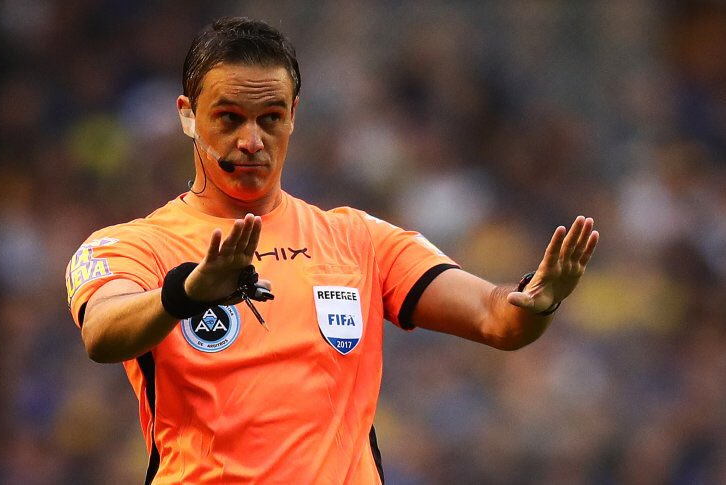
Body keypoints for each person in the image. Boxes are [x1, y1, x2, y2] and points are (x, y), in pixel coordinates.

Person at [65, 16, 599, 484]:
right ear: (188, 115)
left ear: (293, 115)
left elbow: (497, 318)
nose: (251, 140)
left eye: (270, 118)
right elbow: (102, 332)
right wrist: (186, 292)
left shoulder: (358, 239)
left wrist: (539, 299)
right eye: (229, 118)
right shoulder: (134, 245)